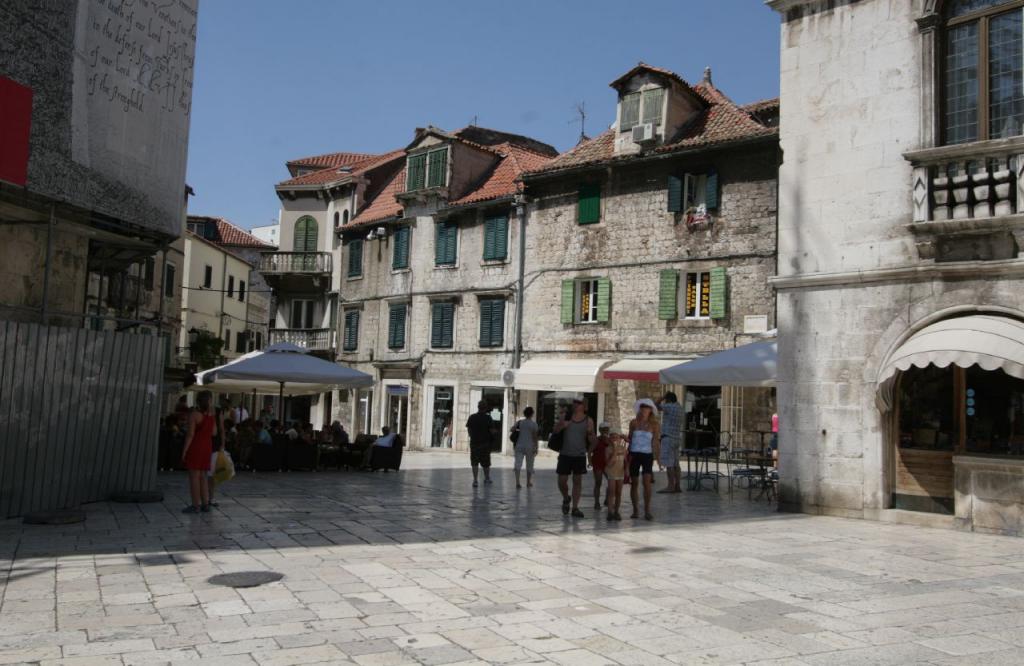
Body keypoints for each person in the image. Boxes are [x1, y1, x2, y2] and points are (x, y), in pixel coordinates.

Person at [553, 397, 595, 518]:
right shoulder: (565, 416)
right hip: (565, 454)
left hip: (579, 455)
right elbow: (555, 431)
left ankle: (575, 508)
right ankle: (566, 498)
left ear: (584, 406)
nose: (575, 404)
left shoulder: (588, 420)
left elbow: (592, 440)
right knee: (561, 481)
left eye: (578, 403)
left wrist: (590, 433)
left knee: (577, 481)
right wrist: (562, 425)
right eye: (574, 402)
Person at [180, 390, 216, 513]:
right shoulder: (211, 416)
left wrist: (184, 451)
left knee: (194, 477)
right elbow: (214, 432)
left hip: (196, 446)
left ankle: (195, 505)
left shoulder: (194, 415)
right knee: (204, 476)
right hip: (207, 447)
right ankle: (205, 504)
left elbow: (190, 434)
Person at [628, 399, 661, 521]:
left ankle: (647, 510)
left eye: (646, 407)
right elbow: (630, 438)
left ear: (650, 410)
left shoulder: (654, 425)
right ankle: (635, 510)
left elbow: (656, 442)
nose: (643, 410)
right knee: (634, 483)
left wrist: (658, 458)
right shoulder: (633, 423)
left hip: (647, 455)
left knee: (647, 483)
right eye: (642, 407)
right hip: (634, 454)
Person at [657, 392, 684, 493]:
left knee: (669, 464)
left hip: (668, 438)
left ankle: (670, 486)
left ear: (668, 399)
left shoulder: (669, 406)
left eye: (665, 400)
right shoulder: (680, 408)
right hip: (677, 438)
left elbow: (655, 405)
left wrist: (662, 397)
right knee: (676, 464)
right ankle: (677, 486)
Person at [466, 401, 494, 487]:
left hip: (474, 443)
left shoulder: (472, 417)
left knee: (474, 462)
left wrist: (472, 436)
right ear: (485, 408)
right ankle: (487, 478)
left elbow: (469, 429)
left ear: (478, 407)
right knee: (486, 462)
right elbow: (492, 431)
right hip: (485, 443)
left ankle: (475, 480)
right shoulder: (488, 418)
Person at [512, 406, 539, 489]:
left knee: (518, 463)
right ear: (532, 414)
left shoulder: (520, 422)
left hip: (519, 445)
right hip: (530, 446)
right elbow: (535, 437)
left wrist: (517, 429)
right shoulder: (534, 424)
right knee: (530, 464)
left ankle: (517, 482)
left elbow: (512, 429)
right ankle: (528, 482)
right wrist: (536, 447)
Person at [604, 432, 628, 521]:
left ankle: (616, 511)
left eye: (616, 437)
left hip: (620, 473)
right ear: (609, 439)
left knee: (618, 493)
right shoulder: (607, 449)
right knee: (611, 492)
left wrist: (627, 469)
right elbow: (609, 463)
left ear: (619, 439)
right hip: (611, 473)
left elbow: (626, 460)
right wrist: (614, 451)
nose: (614, 439)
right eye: (612, 437)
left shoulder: (623, 448)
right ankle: (610, 512)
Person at [591, 422, 611, 509]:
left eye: (607, 429)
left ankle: (607, 499)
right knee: (598, 482)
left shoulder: (610, 440)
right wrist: (590, 462)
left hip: (607, 464)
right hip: (597, 463)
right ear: (600, 430)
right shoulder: (596, 440)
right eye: (603, 429)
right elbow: (589, 451)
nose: (605, 431)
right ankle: (596, 502)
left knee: (611, 481)